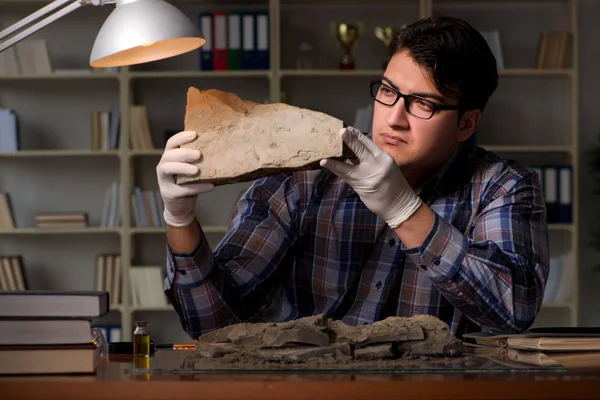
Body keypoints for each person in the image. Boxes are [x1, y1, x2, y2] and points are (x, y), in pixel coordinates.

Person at [156, 16, 549, 340]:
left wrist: (404, 210)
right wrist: (180, 220)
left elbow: (513, 311)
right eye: (388, 92)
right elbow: (212, 325)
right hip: (304, 389)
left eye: (423, 104)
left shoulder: (503, 185)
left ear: (467, 124)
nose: (394, 117)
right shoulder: (304, 178)